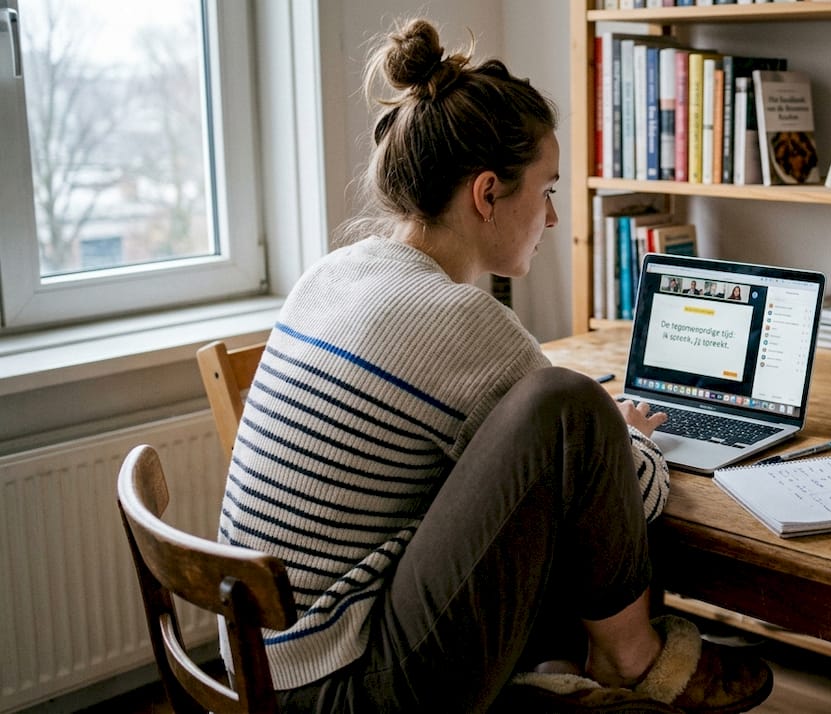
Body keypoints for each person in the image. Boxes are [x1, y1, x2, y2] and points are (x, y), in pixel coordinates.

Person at [215, 16, 772, 714]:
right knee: (569, 405)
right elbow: (636, 496)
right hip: (337, 689)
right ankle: (634, 659)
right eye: (547, 190)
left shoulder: (333, 274)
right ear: (487, 194)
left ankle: (576, 663)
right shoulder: (456, 320)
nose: (551, 217)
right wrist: (627, 434)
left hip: (263, 663)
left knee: (560, 428)